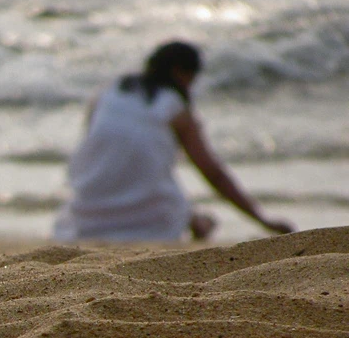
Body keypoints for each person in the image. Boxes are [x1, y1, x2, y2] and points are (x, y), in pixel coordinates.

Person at [53, 40, 294, 242]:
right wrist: (262, 220)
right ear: (181, 72)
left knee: (147, 179)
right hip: (149, 222)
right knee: (188, 213)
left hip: (84, 214)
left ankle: (193, 218)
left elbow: (97, 148)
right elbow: (213, 173)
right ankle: (195, 221)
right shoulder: (174, 107)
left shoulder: (110, 90)